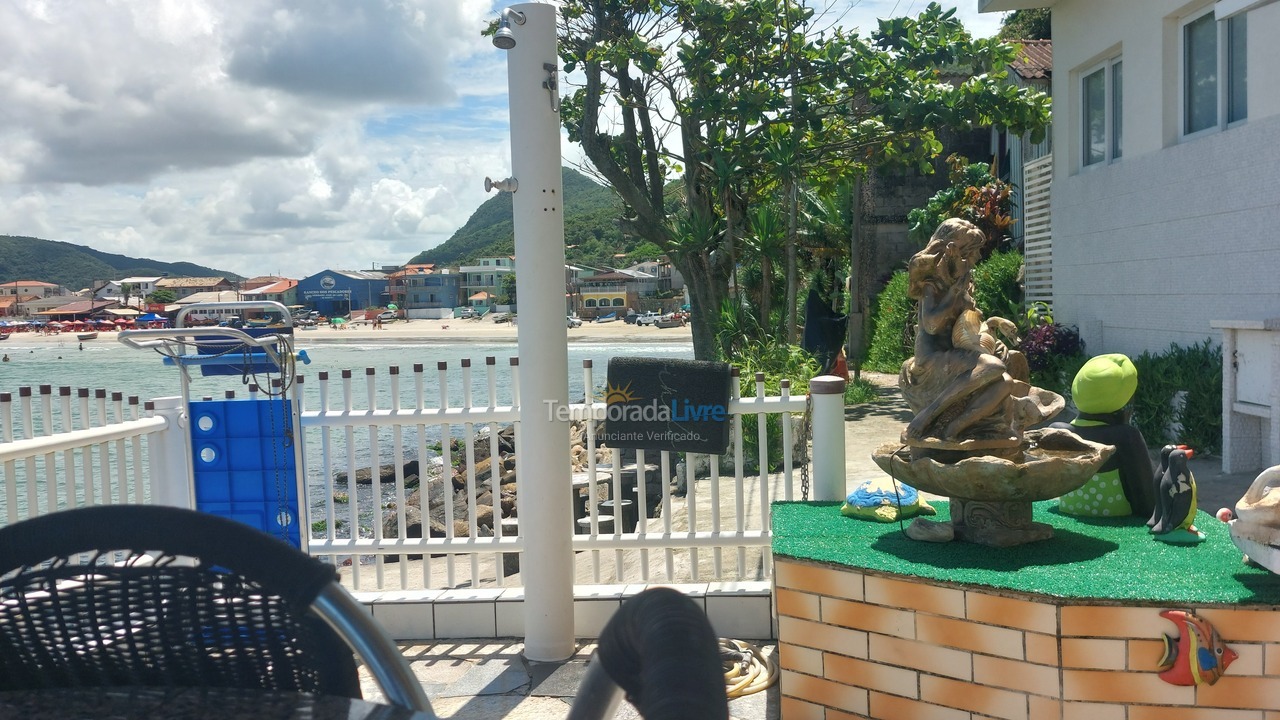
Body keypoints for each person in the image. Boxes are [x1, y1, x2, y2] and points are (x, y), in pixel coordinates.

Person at [1051, 353, 1156, 519]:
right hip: (1119, 523)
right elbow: (1147, 502)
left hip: (1068, 514)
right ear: (1125, 404)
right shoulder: (1124, 436)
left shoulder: (1058, 432)